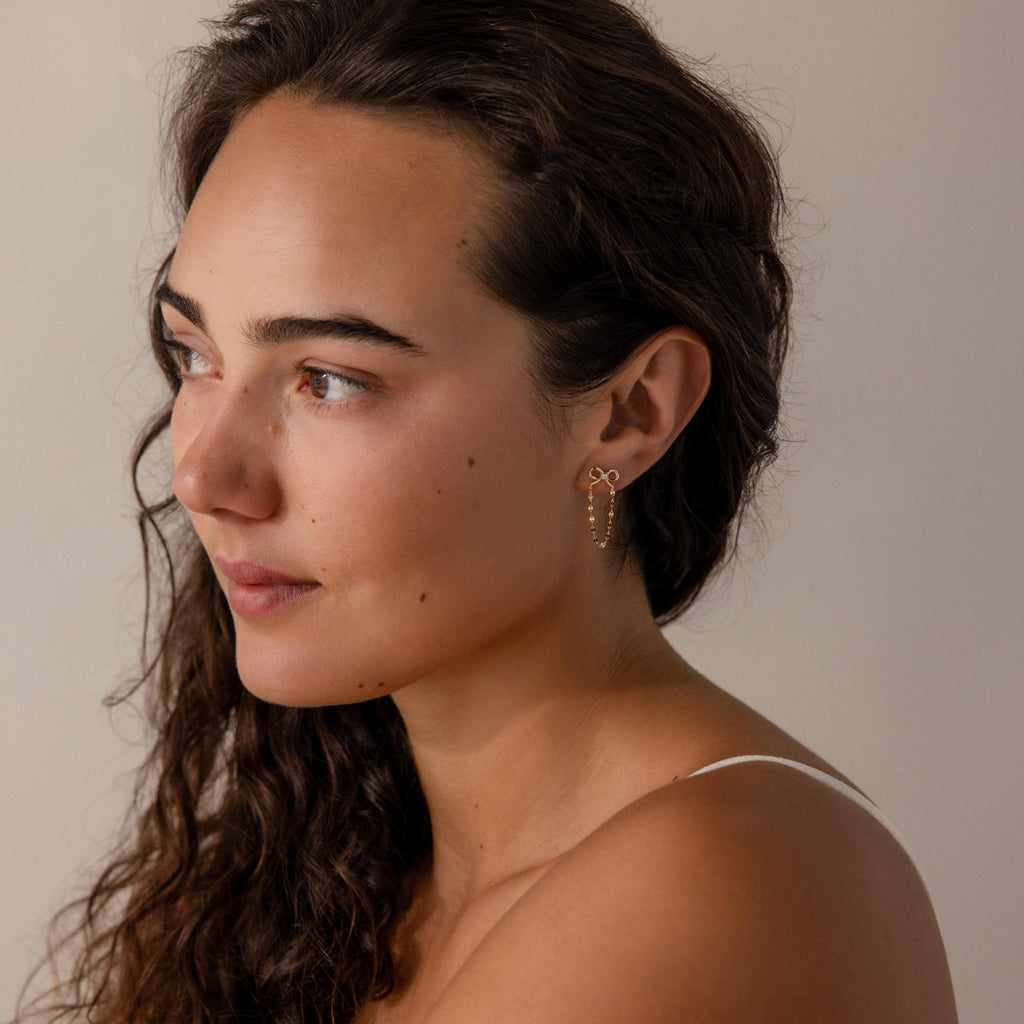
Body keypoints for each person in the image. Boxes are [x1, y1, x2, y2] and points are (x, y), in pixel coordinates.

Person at [17, 1, 958, 1022]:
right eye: (197, 356)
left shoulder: (725, 877)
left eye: (328, 378)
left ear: (629, 412)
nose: (206, 476)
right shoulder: (339, 878)